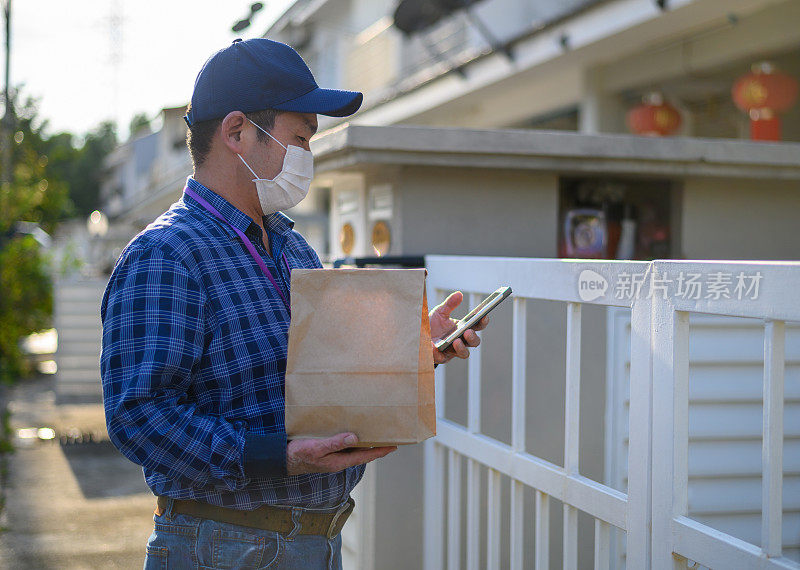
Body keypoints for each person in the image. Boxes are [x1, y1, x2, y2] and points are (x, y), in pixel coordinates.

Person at [100, 38, 486, 570]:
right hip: (223, 547)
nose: (308, 155)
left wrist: (414, 352)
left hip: (314, 543)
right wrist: (275, 457)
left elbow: (320, 373)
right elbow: (140, 416)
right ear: (237, 132)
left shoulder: (291, 246)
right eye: (300, 137)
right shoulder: (165, 255)